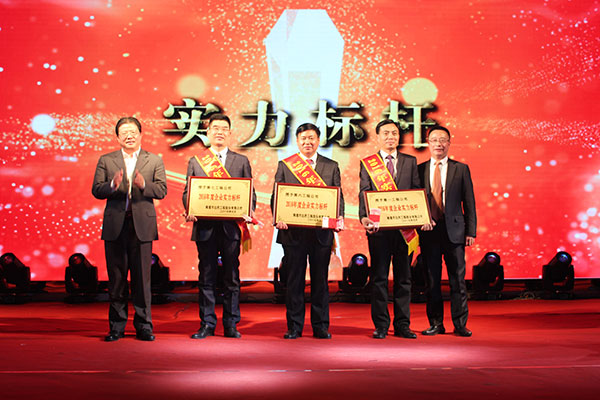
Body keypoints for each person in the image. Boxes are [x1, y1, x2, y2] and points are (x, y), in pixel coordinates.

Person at [92, 117, 167, 342]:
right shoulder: (107, 160)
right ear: (117, 137)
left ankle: (144, 326)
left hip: (141, 226)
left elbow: (162, 190)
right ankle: (116, 327)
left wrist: (144, 185)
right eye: (124, 132)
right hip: (116, 225)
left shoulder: (154, 160)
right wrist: (112, 185)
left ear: (141, 135)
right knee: (117, 279)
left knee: (142, 280)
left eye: (133, 131)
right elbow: (97, 190)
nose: (129, 136)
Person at [183, 114, 256, 339]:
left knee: (231, 277)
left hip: (231, 228)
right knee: (206, 276)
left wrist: (249, 210)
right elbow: (188, 192)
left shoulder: (241, 161)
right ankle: (207, 323)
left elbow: (250, 192)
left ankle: (231, 324)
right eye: (215, 128)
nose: (219, 132)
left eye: (224, 128)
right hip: (205, 228)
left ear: (230, 133)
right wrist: (189, 207)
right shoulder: (196, 161)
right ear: (207, 132)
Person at [359, 119, 431, 339]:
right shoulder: (368, 163)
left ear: (399, 137)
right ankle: (381, 325)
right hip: (379, 231)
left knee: (404, 278)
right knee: (379, 278)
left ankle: (402, 325)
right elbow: (364, 192)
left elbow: (417, 191)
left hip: (405, 230)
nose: (390, 137)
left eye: (394, 133)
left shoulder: (410, 161)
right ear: (378, 137)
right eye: (386, 133)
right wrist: (363, 217)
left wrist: (423, 217)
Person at [271, 123, 344, 339]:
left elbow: (337, 196)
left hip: (321, 233)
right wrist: (278, 217)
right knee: (294, 281)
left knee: (320, 281)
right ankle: (294, 326)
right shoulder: (286, 166)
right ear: (297, 141)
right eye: (303, 138)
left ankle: (321, 326)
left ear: (318, 140)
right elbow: (277, 196)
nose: (307, 142)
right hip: (293, 233)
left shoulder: (331, 166)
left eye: (311, 138)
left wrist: (339, 216)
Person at [418, 126, 477, 337]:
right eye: (434, 140)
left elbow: (469, 202)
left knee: (457, 280)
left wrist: (471, 231)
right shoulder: (419, 170)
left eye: (443, 140)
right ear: (428, 143)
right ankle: (436, 323)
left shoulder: (460, 169)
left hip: (455, 231)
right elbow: (415, 201)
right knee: (432, 280)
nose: (439, 144)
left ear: (449, 143)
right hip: (429, 231)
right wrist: (420, 221)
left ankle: (460, 324)